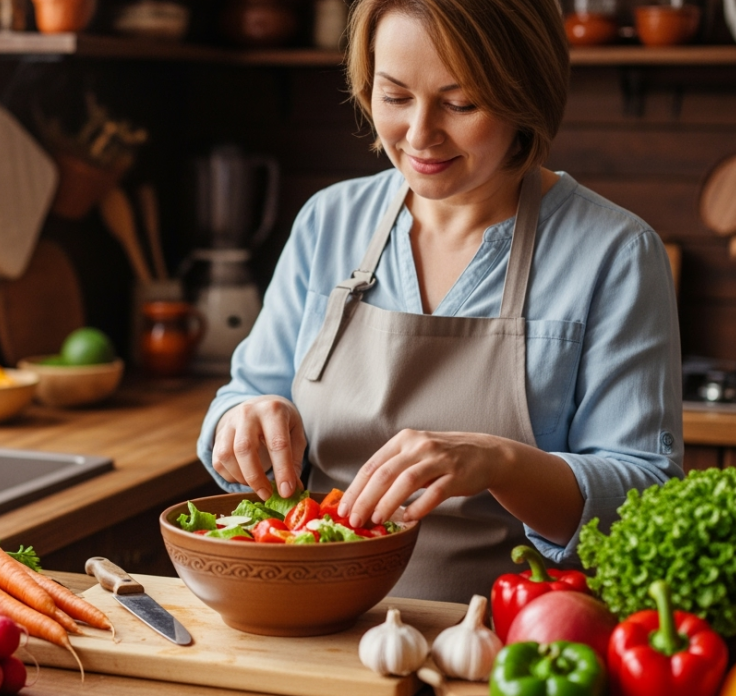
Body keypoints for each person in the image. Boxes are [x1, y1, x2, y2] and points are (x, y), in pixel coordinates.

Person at [196, 0, 683, 602]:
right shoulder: (329, 221)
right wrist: (242, 420)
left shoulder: (615, 254)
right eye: (395, 96)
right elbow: (241, 396)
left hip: (512, 643)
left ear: (525, 95)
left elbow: (644, 499)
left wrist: (503, 463)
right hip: (311, 622)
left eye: (460, 104)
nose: (420, 134)